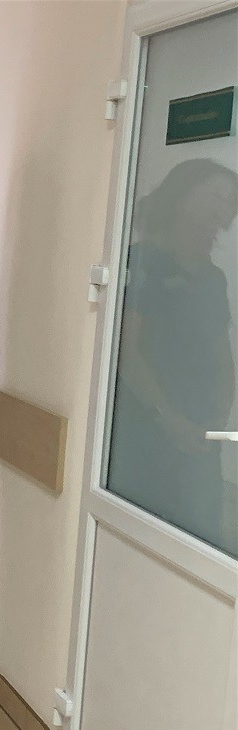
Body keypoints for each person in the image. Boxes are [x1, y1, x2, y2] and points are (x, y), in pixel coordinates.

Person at [108, 159, 237, 555]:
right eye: (215, 194)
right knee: (138, 539)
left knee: (202, 535)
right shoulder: (142, 261)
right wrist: (169, 418)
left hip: (200, 431)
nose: (224, 206)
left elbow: (221, 353)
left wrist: (219, 415)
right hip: (146, 426)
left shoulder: (213, 278)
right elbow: (127, 351)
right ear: (183, 195)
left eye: (230, 199)